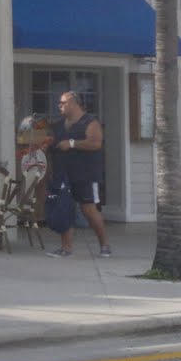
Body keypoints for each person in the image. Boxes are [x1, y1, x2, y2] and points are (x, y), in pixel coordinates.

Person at [42, 91, 110, 258]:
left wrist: (71, 143)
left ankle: (105, 245)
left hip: (85, 174)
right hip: (62, 174)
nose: (60, 105)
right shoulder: (59, 125)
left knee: (88, 209)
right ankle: (66, 248)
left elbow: (95, 143)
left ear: (73, 103)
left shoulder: (90, 122)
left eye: (63, 102)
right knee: (64, 208)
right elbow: (54, 146)